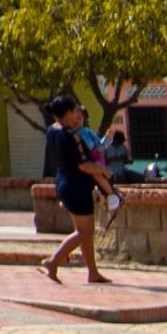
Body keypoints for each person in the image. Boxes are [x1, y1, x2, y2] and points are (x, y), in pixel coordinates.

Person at [39, 93, 121, 284]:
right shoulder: (71, 135)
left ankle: (92, 272)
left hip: (63, 183)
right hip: (76, 186)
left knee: (84, 231)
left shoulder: (52, 130)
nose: (77, 113)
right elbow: (84, 165)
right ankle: (53, 262)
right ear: (68, 112)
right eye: (75, 110)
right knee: (85, 232)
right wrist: (103, 170)